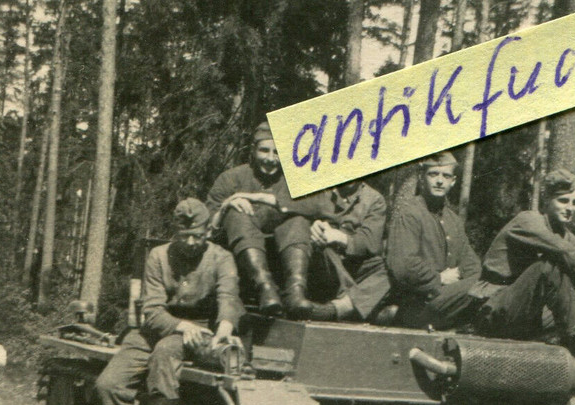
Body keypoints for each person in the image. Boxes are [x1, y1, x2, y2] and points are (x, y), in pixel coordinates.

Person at [94, 198, 244, 405]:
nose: (191, 242)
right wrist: (179, 325)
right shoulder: (158, 257)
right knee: (108, 384)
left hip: (200, 331)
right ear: (174, 232)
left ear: (208, 232)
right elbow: (151, 310)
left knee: (166, 354)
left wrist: (224, 330)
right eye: (184, 235)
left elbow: (229, 298)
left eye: (198, 235)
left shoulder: (221, 258)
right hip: (157, 327)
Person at [471, 168, 575, 387]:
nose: (570, 209)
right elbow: (563, 251)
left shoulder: (567, 236)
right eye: (563, 201)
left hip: (528, 319)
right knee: (548, 267)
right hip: (495, 309)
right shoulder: (527, 220)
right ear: (546, 200)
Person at [205, 122, 315, 318]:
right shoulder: (230, 178)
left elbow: (318, 208)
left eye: (277, 152)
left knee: (298, 220)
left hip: (283, 262)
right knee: (237, 212)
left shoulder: (296, 183)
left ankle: (295, 291)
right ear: (253, 150)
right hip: (238, 267)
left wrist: (261, 198)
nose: (271, 159)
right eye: (264, 150)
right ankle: (265, 287)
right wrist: (227, 205)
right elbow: (207, 229)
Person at [385, 151, 482, 330]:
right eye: (433, 174)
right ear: (422, 178)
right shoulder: (410, 213)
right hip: (418, 305)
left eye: (445, 176)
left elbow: (472, 265)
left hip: (446, 300)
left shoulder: (453, 221)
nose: (439, 181)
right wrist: (439, 278)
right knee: (483, 289)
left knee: (485, 286)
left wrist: (461, 279)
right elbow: (403, 266)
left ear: (453, 182)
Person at [294, 179, 392, 322]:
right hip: (323, 265)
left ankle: (337, 309)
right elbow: (295, 218)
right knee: (321, 247)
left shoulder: (374, 199)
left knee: (390, 268)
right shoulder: (317, 190)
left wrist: (340, 237)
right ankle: (357, 306)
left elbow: (370, 243)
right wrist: (311, 226)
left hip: (354, 267)